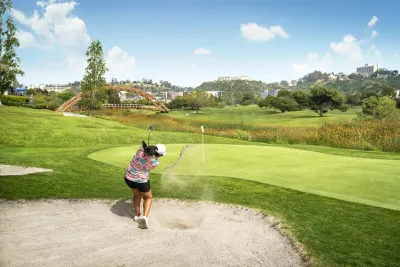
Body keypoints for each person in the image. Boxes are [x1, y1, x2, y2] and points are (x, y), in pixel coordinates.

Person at [124, 140, 166, 229]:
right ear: (160, 155)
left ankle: (137, 215)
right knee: (148, 197)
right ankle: (145, 217)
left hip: (128, 177)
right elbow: (148, 162)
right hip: (141, 181)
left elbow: (144, 147)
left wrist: (147, 147)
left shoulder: (141, 150)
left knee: (136, 194)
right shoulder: (155, 162)